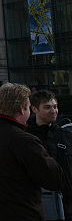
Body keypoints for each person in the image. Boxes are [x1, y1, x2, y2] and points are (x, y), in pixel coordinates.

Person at [0, 83, 66, 220]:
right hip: (23, 214)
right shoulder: (24, 140)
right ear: (22, 109)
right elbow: (54, 179)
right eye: (28, 107)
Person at [27, 90, 72, 221]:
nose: (53, 111)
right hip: (38, 204)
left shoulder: (65, 135)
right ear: (34, 109)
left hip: (67, 204)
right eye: (47, 107)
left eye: (55, 106)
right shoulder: (26, 137)